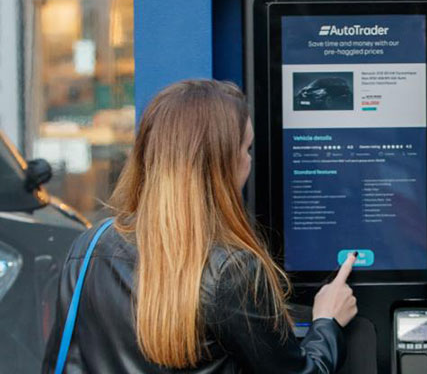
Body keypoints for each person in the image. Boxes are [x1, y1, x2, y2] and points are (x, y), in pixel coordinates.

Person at [42, 80, 358, 373]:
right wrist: (327, 323)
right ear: (219, 165)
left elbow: (65, 361)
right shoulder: (230, 271)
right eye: (246, 149)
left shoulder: (90, 246)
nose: (249, 161)